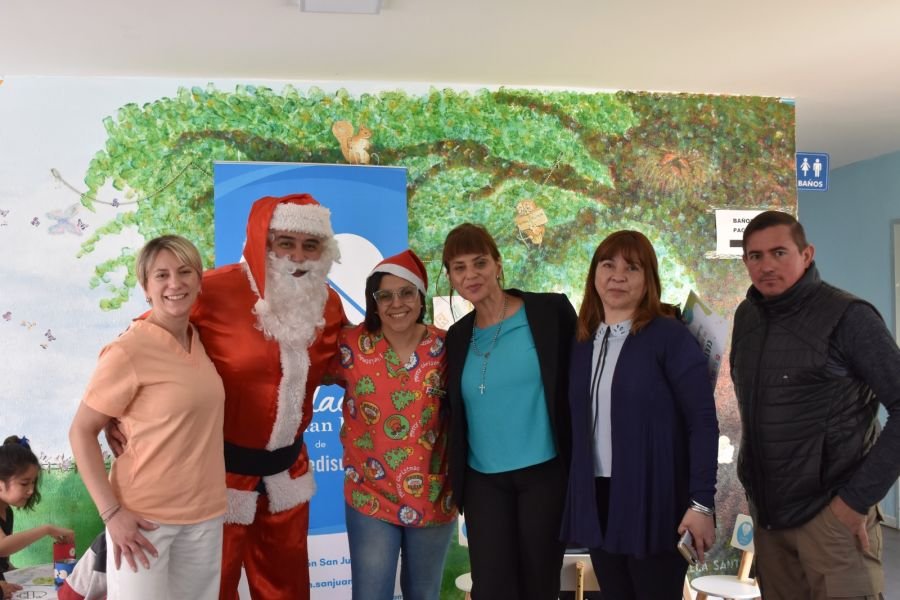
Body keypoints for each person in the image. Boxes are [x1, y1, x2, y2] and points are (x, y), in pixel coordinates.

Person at [108, 194, 347, 599]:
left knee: (288, 590)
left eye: (310, 245)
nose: (297, 256)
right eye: (285, 243)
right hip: (216, 480)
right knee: (213, 589)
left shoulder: (329, 304)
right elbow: (143, 342)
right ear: (263, 242)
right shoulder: (213, 290)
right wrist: (117, 415)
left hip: (287, 476)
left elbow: (352, 364)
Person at [730, 210, 900, 599]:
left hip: (832, 517)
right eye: (755, 256)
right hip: (769, 521)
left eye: (779, 253)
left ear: (807, 255)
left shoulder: (849, 316)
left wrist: (854, 502)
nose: (766, 265)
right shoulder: (747, 316)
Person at [559, 230, 718, 600]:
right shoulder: (582, 340)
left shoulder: (670, 337)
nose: (618, 276)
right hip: (598, 499)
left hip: (656, 499)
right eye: (608, 265)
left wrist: (701, 503)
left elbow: (702, 423)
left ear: (649, 279)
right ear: (594, 274)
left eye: (632, 267)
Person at [70, 235, 226, 599]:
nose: (175, 283)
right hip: (143, 521)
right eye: (162, 275)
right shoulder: (127, 350)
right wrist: (111, 514)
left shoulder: (199, 341)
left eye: (185, 272)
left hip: (204, 516)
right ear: (145, 287)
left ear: (199, 281)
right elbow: (80, 431)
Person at [441, 223, 576, 600]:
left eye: (479, 262)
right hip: (483, 483)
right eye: (459, 267)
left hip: (544, 476)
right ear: (450, 277)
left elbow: (583, 379)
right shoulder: (456, 336)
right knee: (492, 588)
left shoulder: (550, 312)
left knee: (540, 585)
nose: (471, 275)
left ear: (498, 264)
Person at [328, 250, 456, 600]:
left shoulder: (447, 346)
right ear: (374, 302)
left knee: (424, 593)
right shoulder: (348, 345)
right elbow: (296, 368)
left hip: (433, 493)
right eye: (385, 295)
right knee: (370, 594)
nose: (396, 303)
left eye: (406, 293)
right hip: (370, 494)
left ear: (421, 297)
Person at [0, 435, 75, 595]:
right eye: (24, 483)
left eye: (33, 482)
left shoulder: (7, 511)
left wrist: (18, 573)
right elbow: (2, 547)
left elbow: (2, 562)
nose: (31, 490)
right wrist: (47, 529)